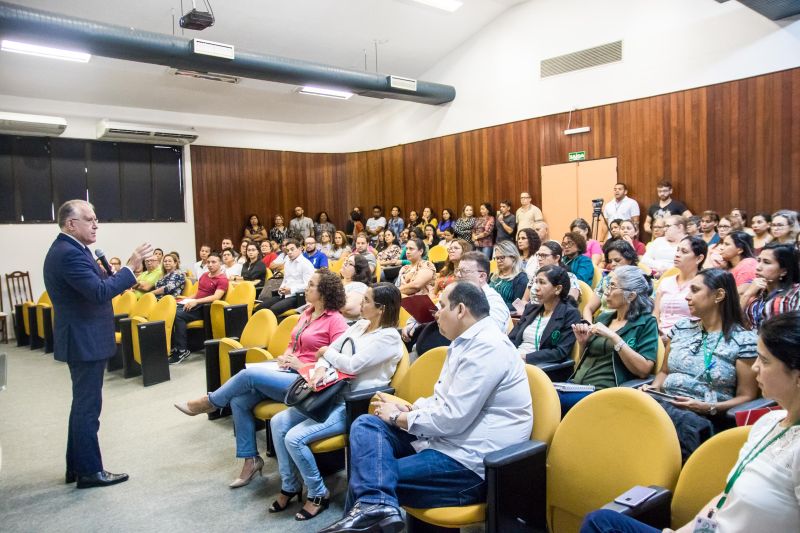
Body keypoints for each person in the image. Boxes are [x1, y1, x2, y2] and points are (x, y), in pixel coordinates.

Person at [317, 281, 532, 533]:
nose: (435, 312)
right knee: (368, 424)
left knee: (370, 479)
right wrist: (412, 410)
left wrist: (399, 417)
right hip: (447, 441)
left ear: (461, 310)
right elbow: (444, 402)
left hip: (470, 464)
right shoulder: (467, 342)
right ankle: (375, 507)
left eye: (442, 306)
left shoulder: (487, 347)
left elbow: (451, 419)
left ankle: (374, 506)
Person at [580, 311, 800, 533]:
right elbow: (726, 497)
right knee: (602, 521)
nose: (755, 367)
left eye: (764, 360)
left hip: (704, 415)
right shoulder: (768, 422)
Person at [175, 270, 348, 487]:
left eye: (312, 285)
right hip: (286, 373)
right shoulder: (306, 313)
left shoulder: (336, 321)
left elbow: (336, 364)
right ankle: (251, 460)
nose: (306, 288)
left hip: (308, 383)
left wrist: (301, 365)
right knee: (239, 400)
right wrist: (286, 357)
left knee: (248, 375)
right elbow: (293, 344)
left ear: (324, 292)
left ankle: (211, 402)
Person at [270, 284, 404, 521]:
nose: (360, 305)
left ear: (381, 309)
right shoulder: (361, 325)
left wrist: (325, 354)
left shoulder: (388, 337)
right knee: (278, 421)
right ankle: (290, 485)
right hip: (330, 391)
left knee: (294, 437)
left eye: (366, 301)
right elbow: (334, 350)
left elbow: (352, 365)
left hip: (354, 402)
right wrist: (321, 368)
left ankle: (318, 493)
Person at [44, 200, 152, 489]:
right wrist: (128, 268)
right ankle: (90, 471)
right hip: (84, 340)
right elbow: (99, 292)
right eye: (89, 219)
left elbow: (102, 283)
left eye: (96, 218)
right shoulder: (69, 254)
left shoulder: (72, 250)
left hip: (83, 338)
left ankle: (76, 467)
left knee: (83, 405)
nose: (96, 224)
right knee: (88, 408)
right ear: (71, 224)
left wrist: (129, 272)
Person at [644, 268, 758, 459]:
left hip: (704, 418)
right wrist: (653, 389)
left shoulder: (743, 340)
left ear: (719, 295)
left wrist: (707, 407)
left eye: (695, 291)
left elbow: (747, 397)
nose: (687, 297)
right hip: (663, 406)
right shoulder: (681, 328)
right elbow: (664, 372)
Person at [563, 266, 658, 414]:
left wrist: (615, 338)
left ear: (631, 296)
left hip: (604, 392)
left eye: (613, 286)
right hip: (576, 386)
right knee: (538, 394)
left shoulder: (646, 323)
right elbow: (586, 360)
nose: (606, 291)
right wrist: (583, 343)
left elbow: (643, 370)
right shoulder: (604, 318)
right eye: (608, 284)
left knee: (548, 401)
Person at [400, 251, 509, 356]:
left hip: (466, 353)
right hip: (431, 345)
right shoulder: (454, 292)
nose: (458, 275)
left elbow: (487, 337)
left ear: (482, 276)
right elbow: (433, 311)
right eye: (457, 270)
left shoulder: (494, 302)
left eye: (464, 271)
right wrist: (413, 324)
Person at [509, 265, 581, 365]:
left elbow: (560, 352)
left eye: (542, 282)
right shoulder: (531, 308)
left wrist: (525, 357)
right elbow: (512, 338)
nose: (535, 288)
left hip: (543, 367)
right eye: (535, 282)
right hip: (515, 360)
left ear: (558, 289)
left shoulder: (570, 313)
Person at [171, 252, 228, 364]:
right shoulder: (204, 275)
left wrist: (195, 302)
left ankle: (182, 350)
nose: (210, 264)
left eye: (214, 262)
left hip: (205, 308)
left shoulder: (222, 279)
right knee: (171, 310)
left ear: (220, 263)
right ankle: (175, 346)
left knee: (178, 315)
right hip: (196, 304)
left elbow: (216, 297)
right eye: (208, 262)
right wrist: (185, 300)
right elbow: (198, 293)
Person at [653, 236, 707, 338]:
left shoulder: (704, 285)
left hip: (689, 338)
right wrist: (656, 332)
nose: (677, 254)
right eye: (677, 250)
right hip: (660, 336)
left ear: (699, 258)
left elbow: (705, 320)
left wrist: (673, 338)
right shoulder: (665, 282)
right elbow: (655, 314)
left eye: (684, 251)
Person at [741, 243, 800, 330]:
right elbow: (738, 322)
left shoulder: (789, 297)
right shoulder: (759, 288)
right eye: (758, 260)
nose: (758, 267)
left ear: (783, 271)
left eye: (766, 262)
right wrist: (748, 294)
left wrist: (747, 295)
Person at [583, 240, 639, 322]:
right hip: (602, 323)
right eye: (610, 261)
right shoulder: (606, 280)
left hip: (628, 326)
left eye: (617, 260)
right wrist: (589, 326)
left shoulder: (638, 280)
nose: (612, 264)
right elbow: (589, 308)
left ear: (629, 259)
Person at [260, 239, 315, 316]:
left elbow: (308, 285)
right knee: (261, 307)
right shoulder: (287, 263)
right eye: (287, 250)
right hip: (285, 294)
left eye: (292, 249)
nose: (289, 252)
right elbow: (285, 280)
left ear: (300, 249)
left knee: (272, 310)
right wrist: (281, 288)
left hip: (298, 296)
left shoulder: (306, 264)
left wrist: (291, 290)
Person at [489, 240, 529, 310]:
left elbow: (518, 306)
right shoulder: (493, 276)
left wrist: (494, 306)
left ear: (513, 257)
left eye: (502, 257)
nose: (498, 261)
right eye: (497, 258)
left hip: (507, 316)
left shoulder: (521, 278)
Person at [340, 254, 372, 321]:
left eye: (350, 263)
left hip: (346, 326)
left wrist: (324, 302)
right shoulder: (339, 282)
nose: (345, 263)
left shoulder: (360, 286)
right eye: (346, 261)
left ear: (358, 271)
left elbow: (350, 309)